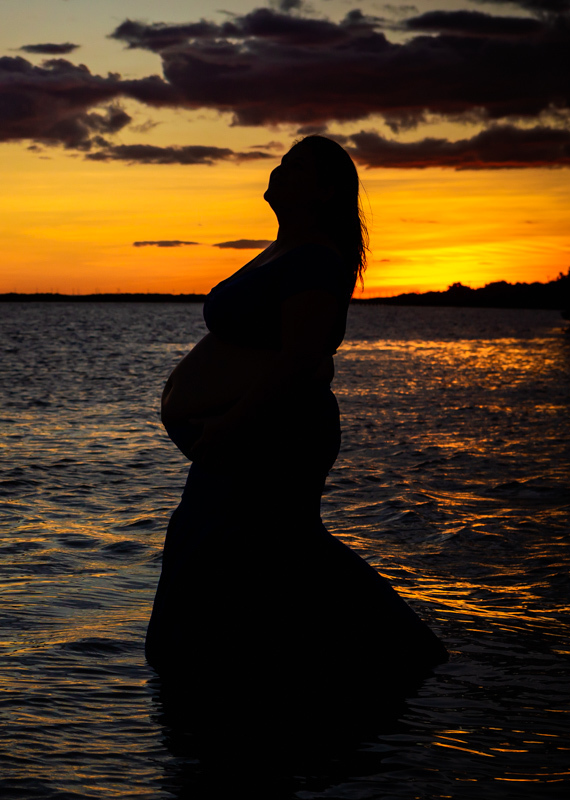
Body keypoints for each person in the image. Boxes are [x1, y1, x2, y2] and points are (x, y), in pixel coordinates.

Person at [148, 136, 448, 712]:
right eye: (281, 160)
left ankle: (394, 660)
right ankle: (226, 685)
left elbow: (301, 358)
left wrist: (232, 422)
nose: (280, 168)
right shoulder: (281, 252)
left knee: (266, 546)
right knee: (229, 547)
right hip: (241, 435)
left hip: (272, 434)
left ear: (325, 190)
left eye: (297, 165)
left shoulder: (315, 261)